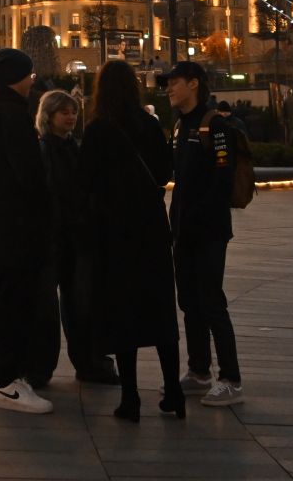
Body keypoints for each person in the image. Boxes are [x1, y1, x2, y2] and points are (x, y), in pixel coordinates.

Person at [81, 62, 183, 420]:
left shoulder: (97, 129)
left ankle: (130, 398)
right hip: (151, 226)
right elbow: (166, 170)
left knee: (121, 313)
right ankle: (174, 392)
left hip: (114, 230)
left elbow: (86, 180)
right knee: (160, 310)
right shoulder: (150, 124)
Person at [0, 48, 55, 414]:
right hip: (18, 221)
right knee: (15, 299)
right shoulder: (12, 114)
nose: (31, 82)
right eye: (29, 75)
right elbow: (30, 174)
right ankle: (10, 381)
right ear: (15, 77)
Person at [161, 60, 243, 407]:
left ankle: (231, 379)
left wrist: (197, 217)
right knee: (189, 301)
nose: (169, 88)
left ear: (194, 84)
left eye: (174, 82)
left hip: (208, 231)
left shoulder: (215, 125)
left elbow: (222, 182)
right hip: (183, 229)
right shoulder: (180, 125)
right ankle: (198, 371)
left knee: (211, 301)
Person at [31, 89, 111, 388]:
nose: (71, 117)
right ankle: (43, 366)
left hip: (76, 238)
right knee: (50, 308)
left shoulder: (73, 147)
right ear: (48, 116)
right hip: (55, 238)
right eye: (64, 112)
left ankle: (87, 362)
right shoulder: (44, 150)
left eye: (74, 112)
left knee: (81, 304)